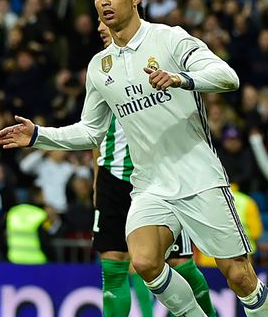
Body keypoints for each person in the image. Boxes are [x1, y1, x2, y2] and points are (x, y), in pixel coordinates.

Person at [0, 0, 268, 316]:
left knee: (239, 275)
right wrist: (38, 135)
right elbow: (91, 131)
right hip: (149, 185)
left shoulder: (169, 38)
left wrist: (181, 79)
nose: (104, 2)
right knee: (145, 261)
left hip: (198, 177)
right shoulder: (100, 68)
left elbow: (227, 76)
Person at [92, 19, 216, 317]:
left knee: (180, 265)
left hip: (160, 178)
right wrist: (97, 178)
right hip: (113, 176)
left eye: (106, 20)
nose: (100, 26)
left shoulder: (156, 58)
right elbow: (93, 130)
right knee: (114, 269)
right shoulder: (97, 71)